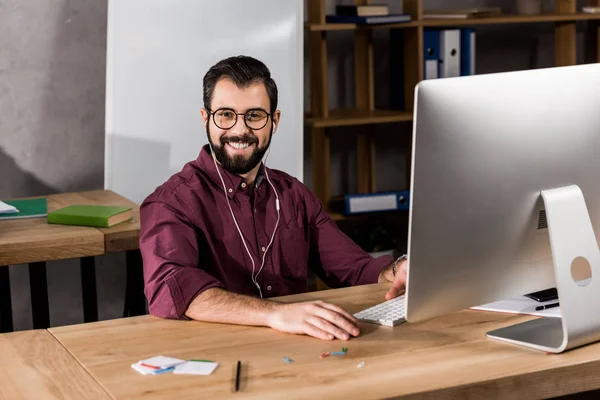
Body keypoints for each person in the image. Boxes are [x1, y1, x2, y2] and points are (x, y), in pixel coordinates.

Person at [139, 55, 408, 341]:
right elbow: (170, 288)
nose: (240, 130)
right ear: (206, 119)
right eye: (226, 115)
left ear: (274, 121)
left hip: (294, 355)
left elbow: (354, 268)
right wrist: (274, 314)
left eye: (254, 116)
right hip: (213, 357)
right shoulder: (170, 202)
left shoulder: (294, 194)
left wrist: (396, 269)